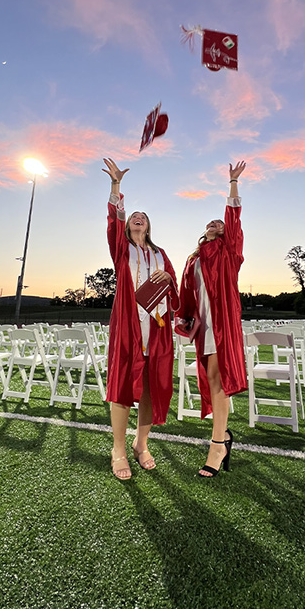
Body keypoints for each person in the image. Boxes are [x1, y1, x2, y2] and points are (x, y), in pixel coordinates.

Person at [103, 158, 179, 480]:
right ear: (128, 225)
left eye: (142, 217)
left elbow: (176, 292)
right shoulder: (122, 250)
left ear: (148, 226)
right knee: (121, 384)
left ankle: (141, 443)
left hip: (157, 328)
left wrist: (167, 279)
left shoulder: (161, 254)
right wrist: (116, 186)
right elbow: (112, 221)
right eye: (133, 216)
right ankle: (118, 449)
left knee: (153, 386)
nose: (138, 219)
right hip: (128, 326)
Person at [176, 161, 247, 477]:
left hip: (222, 326)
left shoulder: (229, 252)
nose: (216, 223)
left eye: (220, 222)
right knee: (213, 382)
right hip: (203, 328)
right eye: (211, 222)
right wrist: (182, 319)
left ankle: (218, 444)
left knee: (218, 382)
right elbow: (186, 297)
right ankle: (224, 438)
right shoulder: (193, 260)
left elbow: (233, 217)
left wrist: (232, 182)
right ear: (202, 232)